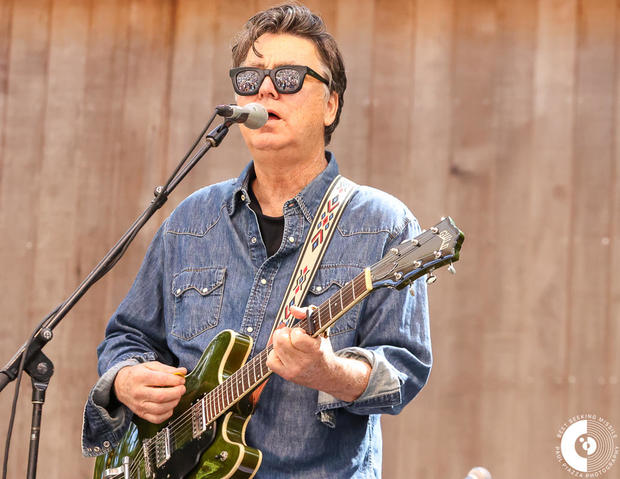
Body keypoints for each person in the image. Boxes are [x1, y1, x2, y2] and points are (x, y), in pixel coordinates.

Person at [82, 4, 431, 478]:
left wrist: (328, 372)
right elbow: (129, 335)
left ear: (331, 103)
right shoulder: (191, 220)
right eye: (250, 79)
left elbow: (403, 372)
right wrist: (126, 378)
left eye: (288, 77)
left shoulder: (384, 225)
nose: (265, 90)